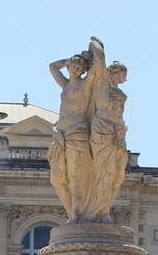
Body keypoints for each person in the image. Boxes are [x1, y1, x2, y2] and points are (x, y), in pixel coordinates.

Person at [48, 39, 98, 222]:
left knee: (76, 177)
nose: (75, 69)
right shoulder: (65, 84)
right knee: (57, 177)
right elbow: (52, 66)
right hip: (60, 133)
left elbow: (97, 69)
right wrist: (69, 60)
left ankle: (77, 215)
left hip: (77, 133)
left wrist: (93, 49)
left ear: (84, 70)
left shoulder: (85, 85)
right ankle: (72, 212)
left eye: (79, 67)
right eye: (73, 66)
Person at [88, 37, 128, 221]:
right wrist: (96, 45)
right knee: (103, 171)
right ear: (115, 72)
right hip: (102, 131)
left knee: (118, 175)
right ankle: (101, 211)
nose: (125, 79)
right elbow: (99, 59)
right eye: (123, 74)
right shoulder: (102, 83)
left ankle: (105, 207)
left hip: (118, 135)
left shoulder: (122, 94)